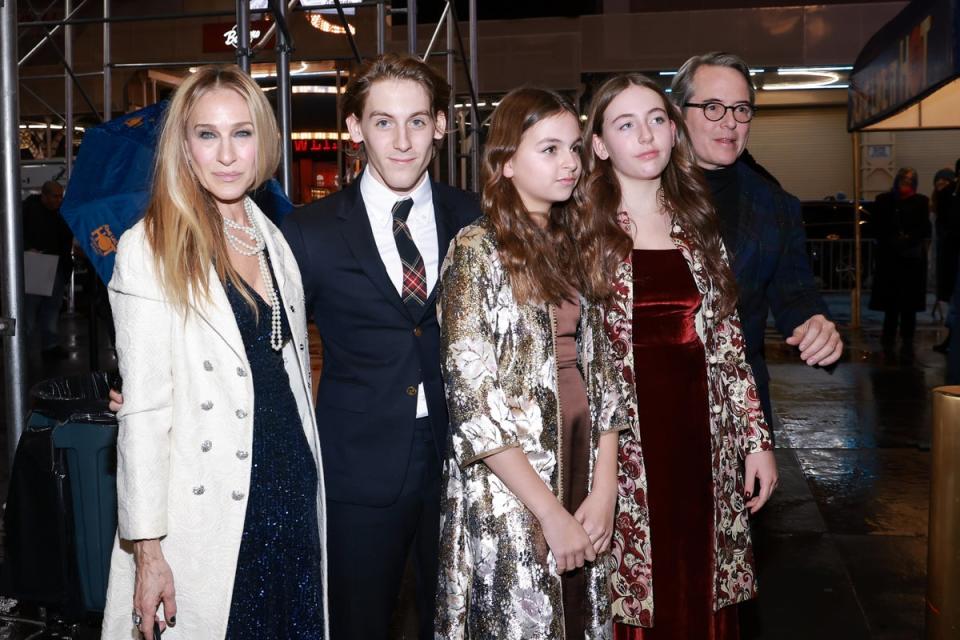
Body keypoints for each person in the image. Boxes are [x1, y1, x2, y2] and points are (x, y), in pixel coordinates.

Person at [101, 65, 328, 640]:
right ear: (184, 145)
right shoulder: (149, 248)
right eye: (207, 134)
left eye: (242, 133)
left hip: (291, 486)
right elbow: (145, 410)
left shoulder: (271, 235)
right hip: (212, 504)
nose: (226, 154)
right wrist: (147, 550)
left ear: (263, 141)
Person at [280, 54, 480, 640]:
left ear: (440, 126)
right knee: (357, 622)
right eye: (383, 122)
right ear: (354, 128)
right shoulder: (308, 231)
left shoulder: (474, 220)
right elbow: (265, 338)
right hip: (357, 465)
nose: (401, 141)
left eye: (417, 122)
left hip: (463, 460)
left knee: (455, 622)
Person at [435, 87, 641, 639]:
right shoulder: (476, 249)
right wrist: (550, 513)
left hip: (581, 459)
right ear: (504, 163)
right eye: (549, 149)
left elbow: (606, 375)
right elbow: (471, 400)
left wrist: (605, 490)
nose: (570, 162)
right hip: (513, 486)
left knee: (578, 619)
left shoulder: (575, 241)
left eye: (574, 148)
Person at [581, 73, 775, 638]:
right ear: (599, 144)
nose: (646, 136)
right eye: (625, 124)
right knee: (636, 592)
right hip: (623, 446)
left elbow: (728, 341)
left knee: (705, 579)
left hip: (705, 441)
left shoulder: (696, 221)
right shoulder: (581, 230)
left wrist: (756, 441)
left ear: (673, 131)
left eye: (657, 119)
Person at [671, 52, 843, 428]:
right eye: (713, 107)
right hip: (650, 401)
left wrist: (815, 324)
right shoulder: (642, 189)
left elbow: (795, 292)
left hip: (740, 408)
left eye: (741, 109)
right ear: (679, 113)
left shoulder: (775, 205)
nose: (730, 123)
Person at [869, 167, 932, 351]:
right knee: (892, 304)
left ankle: (906, 337)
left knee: (908, 305)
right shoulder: (885, 201)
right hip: (892, 259)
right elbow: (878, 226)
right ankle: (890, 336)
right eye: (903, 180)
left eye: (909, 181)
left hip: (909, 259)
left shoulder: (920, 202)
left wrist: (908, 240)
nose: (905, 184)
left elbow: (923, 229)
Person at [22, 180, 72, 360]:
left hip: (48, 263)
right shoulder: (33, 210)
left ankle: (38, 347)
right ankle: (42, 346)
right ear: (44, 195)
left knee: (45, 308)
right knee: (35, 310)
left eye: (60, 196)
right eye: (55, 196)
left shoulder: (30, 209)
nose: (59, 200)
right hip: (40, 263)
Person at [932, 166, 957, 353]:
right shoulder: (948, 195)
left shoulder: (948, 196)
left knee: (955, 306)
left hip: (951, 255)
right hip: (950, 255)